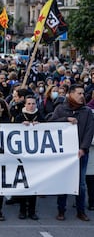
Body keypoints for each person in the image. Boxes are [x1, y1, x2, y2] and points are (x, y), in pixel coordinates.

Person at [49, 83, 94, 221]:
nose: (82, 96)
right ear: (71, 94)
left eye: (82, 94)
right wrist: (65, 119)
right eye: (79, 93)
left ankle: (81, 211)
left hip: (80, 153)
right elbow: (50, 123)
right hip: (64, 154)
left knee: (80, 183)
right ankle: (61, 210)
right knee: (64, 181)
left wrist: (83, 148)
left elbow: (89, 131)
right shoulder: (61, 109)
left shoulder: (86, 111)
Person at [14, 95, 44, 220]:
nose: (31, 106)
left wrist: (41, 126)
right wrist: (20, 125)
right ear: (25, 105)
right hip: (22, 155)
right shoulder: (19, 117)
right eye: (29, 103)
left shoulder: (40, 116)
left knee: (33, 184)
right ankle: (22, 210)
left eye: (33, 103)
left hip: (35, 156)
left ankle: (32, 211)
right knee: (23, 183)